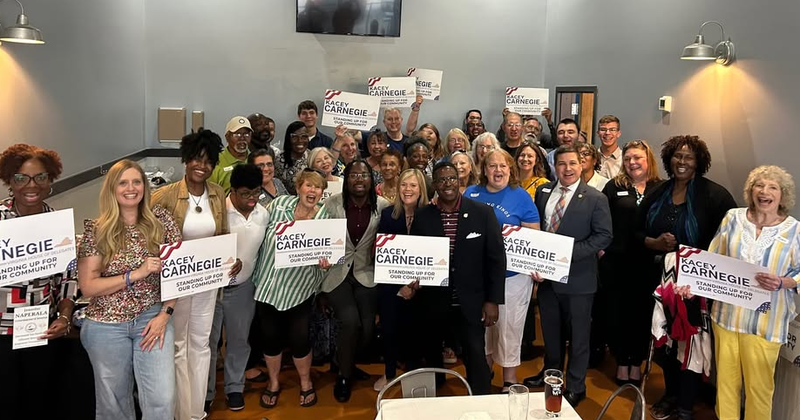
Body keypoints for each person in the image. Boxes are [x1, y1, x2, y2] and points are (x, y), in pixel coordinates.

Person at [676, 165, 799, 420]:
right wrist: (692, 285)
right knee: (727, 387)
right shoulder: (733, 218)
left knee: (760, 390)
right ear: (750, 191)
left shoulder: (794, 230)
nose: (764, 192)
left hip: (766, 323)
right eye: (759, 185)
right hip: (727, 318)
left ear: (782, 194)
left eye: (772, 187)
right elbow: (712, 260)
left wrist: (783, 282)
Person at [636, 135, 736, 420]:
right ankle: (670, 394)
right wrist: (653, 243)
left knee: (690, 344)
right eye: (677, 156)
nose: (682, 162)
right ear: (669, 159)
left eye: (688, 157)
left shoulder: (715, 196)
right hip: (658, 281)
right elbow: (636, 232)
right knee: (666, 341)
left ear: (699, 162)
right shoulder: (658, 192)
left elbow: (726, 242)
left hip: (695, 287)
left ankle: (685, 404)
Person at [77, 159, 182, 419]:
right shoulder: (97, 230)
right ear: (112, 189)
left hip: (152, 319)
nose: (131, 188)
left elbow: (180, 271)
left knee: (162, 397)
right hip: (105, 325)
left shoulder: (162, 221)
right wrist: (136, 274)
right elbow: (88, 286)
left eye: (136, 182)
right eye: (123, 183)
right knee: (114, 402)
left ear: (145, 187)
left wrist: (165, 313)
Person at [151, 129, 234, 420]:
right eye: (197, 159)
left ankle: (195, 410)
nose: (202, 166)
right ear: (186, 159)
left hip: (207, 282)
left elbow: (222, 235)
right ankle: (177, 412)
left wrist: (229, 260)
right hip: (176, 283)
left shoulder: (217, 193)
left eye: (209, 161)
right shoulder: (164, 195)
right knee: (176, 345)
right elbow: (150, 240)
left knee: (200, 343)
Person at [524, 145, 613, 408]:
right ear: (555, 166)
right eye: (561, 164)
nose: (567, 169)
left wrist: (565, 254)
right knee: (550, 334)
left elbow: (603, 236)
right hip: (548, 281)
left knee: (578, 338)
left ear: (582, 164)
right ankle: (552, 376)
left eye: (573, 163)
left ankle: (576, 385)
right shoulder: (543, 192)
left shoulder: (596, 198)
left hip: (579, 281)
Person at [410, 161, 507, 395]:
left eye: (452, 178)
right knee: (432, 353)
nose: (447, 184)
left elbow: (496, 259)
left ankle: (482, 401)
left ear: (460, 181)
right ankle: (434, 400)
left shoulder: (482, 213)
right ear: (434, 184)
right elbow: (415, 256)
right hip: (434, 301)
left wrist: (492, 300)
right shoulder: (423, 216)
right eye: (442, 179)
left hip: (471, 302)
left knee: (475, 353)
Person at [0, 144, 79, 418]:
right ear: (10, 181)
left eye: (40, 177)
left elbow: (68, 277)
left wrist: (65, 317)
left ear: (50, 181)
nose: (31, 185)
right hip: (1, 334)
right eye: (21, 178)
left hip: (41, 330)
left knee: (40, 403)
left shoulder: (56, 223)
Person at [251, 169, 332, 409]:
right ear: (298, 187)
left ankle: (306, 383)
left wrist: (325, 262)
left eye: (318, 188)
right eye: (309, 186)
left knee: (300, 339)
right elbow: (256, 229)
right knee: (271, 338)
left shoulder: (325, 218)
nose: (313, 191)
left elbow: (329, 256)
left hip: (299, 289)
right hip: (268, 285)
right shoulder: (279, 205)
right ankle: (274, 382)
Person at [465, 149, 540, 391]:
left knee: (509, 327)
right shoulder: (470, 193)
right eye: (492, 166)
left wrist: (536, 267)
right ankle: (483, 374)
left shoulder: (521, 197)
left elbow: (533, 237)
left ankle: (509, 380)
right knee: (481, 328)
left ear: (511, 170)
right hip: (477, 276)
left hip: (512, 277)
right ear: (484, 170)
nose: (498, 170)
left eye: (503, 166)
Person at [321, 160, 391, 402]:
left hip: (367, 274)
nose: (359, 179)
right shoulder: (331, 204)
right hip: (336, 274)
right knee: (350, 321)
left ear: (372, 179)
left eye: (364, 175)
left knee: (368, 328)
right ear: (346, 179)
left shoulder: (383, 206)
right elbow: (317, 239)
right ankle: (343, 376)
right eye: (353, 175)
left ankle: (343, 359)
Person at [205, 164, 269, 412]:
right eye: (245, 194)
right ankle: (206, 392)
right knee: (208, 343)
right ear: (232, 190)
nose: (252, 199)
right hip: (212, 288)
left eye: (256, 193)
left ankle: (234, 387)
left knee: (239, 341)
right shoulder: (217, 211)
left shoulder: (262, 214)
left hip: (243, 288)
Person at [600, 140, 662, 386]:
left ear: (648, 160)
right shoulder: (614, 186)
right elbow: (601, 218)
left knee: (642, 313)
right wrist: (601, 249)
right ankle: (621, 361)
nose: (632, 163)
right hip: (616, 261)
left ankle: (636, 362)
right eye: (627, 159)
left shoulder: (661, 188)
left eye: (637, 158)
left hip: (648, 263)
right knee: (617, 313)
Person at [373, 169, 430, 391]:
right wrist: (400, 285)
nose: (408, 190)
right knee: (390, 330)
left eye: (413, 185)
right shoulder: (388, 215)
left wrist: (414, 285)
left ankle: (413, 373)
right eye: (404, 185)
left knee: (416, 331)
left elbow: (432, 254)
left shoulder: (430, 215)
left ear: (421, 189)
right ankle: (389, 373)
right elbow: (383, 255)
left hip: (421, 286)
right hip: (391, 286)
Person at [209, 116, 252, 194]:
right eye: (237, 134)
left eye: (246, 134)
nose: (242, 138)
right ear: (227, 137)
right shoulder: (215, 160)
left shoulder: (255, 159)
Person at [275, 121, 311, 195]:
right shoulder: (279, 160)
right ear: (288, 139)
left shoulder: (312, 156)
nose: (300, 141)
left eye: (304, 137)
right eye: (294, 137)